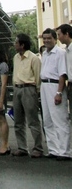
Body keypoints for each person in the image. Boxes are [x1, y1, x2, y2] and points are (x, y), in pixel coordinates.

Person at [11, 32, 43, 158]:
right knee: (18, 121)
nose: (14, 44)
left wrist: (37, 91)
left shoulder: (33, 58)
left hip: (29, 88)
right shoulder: (15, 57)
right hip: (17, 88)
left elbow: (37, 75)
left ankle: (38, 147)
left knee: (32, 120)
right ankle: (22, 147)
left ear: (22, 45)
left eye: (16, 42)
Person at [40, 28, 70, 161]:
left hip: (54, 85)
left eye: (49, 38)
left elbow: (62, 74)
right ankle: (53, 149)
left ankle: (65, 151)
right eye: (44, 38)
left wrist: (59, 92)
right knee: (47, 120)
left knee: (59, 119)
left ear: (55, 39)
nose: (46, 40)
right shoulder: (44, 54)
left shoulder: (60, 53)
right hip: (44, 85)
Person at [56, 23, 72, 119]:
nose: (58, 38)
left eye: (59, 35)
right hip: (69, 84)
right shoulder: (65, 51)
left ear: (66, 34)